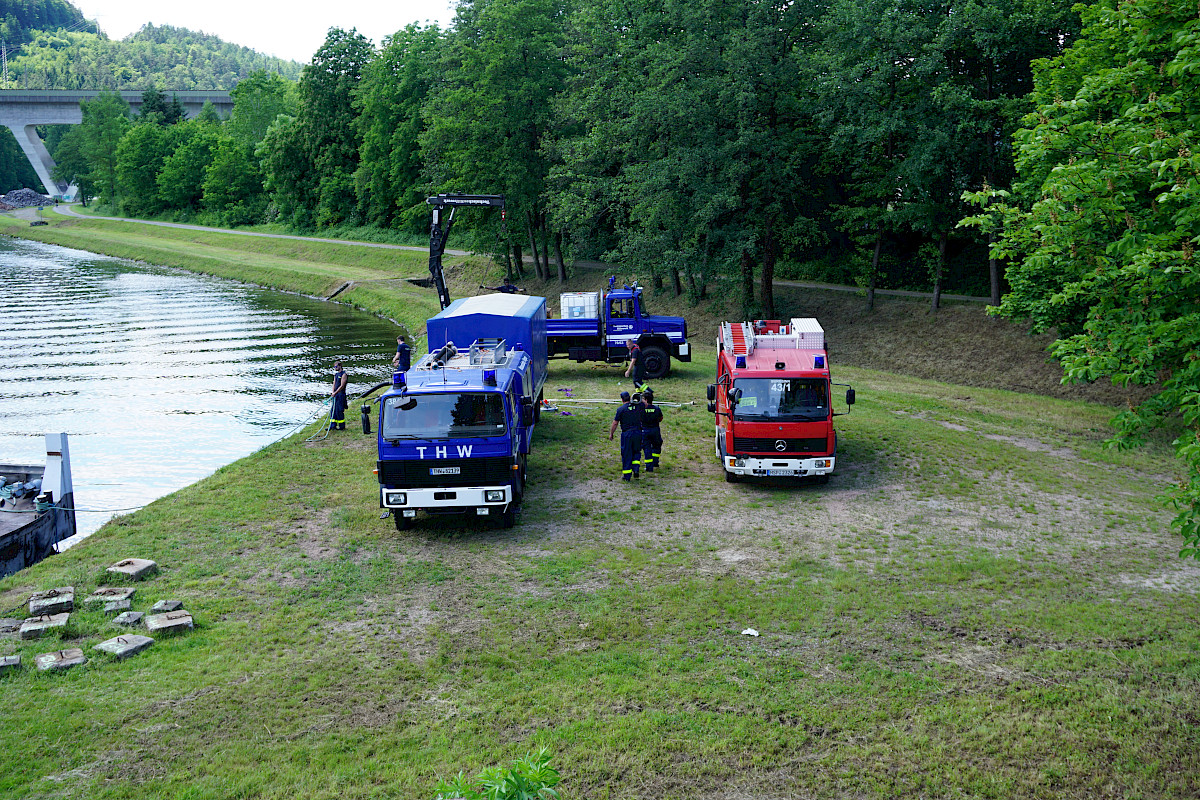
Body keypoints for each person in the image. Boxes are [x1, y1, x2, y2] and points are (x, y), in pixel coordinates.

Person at [608, 390, 643, 481]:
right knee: (636, 452)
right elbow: (646, 404)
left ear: (622, 399)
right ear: (629, 397)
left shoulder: (621, 409)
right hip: (638, 433)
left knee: (627, 454)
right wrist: (637, 398)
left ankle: (627, 476)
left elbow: (615, 423)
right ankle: (636, 469)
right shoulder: (638, 406)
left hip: (627, 434)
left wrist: (611, 434)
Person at [640, 388, 664, 472]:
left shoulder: (641, 410)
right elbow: (661, 418)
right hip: (655, 430)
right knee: (657, 445)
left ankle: (649, 467)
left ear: (646, 400)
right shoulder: (657, 409)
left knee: (647, 448)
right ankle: (655, 462)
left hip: (645, 431)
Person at [329, 360, 348, 431]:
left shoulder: (344, 374)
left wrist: (336, 392)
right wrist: (333, 392)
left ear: (340, 366)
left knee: (339, 410)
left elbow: (342, 385)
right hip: (335, 395)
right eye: (334, 367)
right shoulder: (336, 375)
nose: (335, 368)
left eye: (336, 366)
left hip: (340, 395)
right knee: (333, 410)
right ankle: (332, 426)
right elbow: (334, 383)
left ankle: (341, 426)